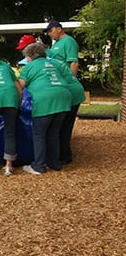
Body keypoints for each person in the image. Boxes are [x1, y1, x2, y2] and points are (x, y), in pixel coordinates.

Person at [16, 42, 72, 175]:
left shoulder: (31, 67)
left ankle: (39, 166)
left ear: (30, 56)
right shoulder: (53, 63)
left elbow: (19, 86)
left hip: (45, 99)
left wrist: (17, 104)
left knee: (39, 133)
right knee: (54, 132)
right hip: (64, 98)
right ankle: (54, 163)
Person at [44, 21, 82, 164]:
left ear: (59, 29)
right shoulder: (57, 43)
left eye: (51, 30)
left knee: (64, 125)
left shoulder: (68, 42)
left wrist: (69, 81)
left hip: (67, 86)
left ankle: (65, 156)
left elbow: (73, 62)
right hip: (61, 86)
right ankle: (60, 153)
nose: (49, 34)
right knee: (60, 125)